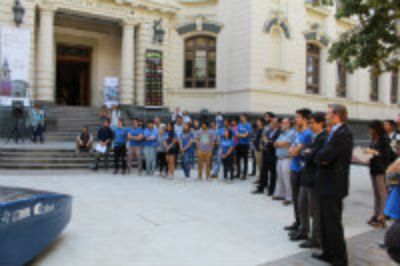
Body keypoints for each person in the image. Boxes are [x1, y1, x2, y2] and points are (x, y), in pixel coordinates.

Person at [312, 104, 353, 266]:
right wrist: (319, 157)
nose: (326, 116)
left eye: (328, 114)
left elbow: (326, 156)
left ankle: (339, 259)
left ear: (336, 115)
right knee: (324, 221)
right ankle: (328, 252)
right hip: (325, 183)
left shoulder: (343, 134)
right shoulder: (334, 132)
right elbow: (321, 155)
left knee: (333, 223)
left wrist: (319, 157)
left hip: (333, 185)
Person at [297, 112, 327, 249]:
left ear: (320, 123)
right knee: (303, 204)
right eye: (309, 123)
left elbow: (312, 156)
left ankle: (316, 238)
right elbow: (306, 153)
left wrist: (307, 153)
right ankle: (304, 231)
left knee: (315, 210)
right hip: (307, 176)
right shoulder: (315, 137)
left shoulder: (323, 137)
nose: (310, 125)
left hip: (314, 178)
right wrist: (307, 153)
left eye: (312, 122)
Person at [285, 109, 313, 235]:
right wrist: (292, 151)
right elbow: (291, 150)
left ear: (305, 119)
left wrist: (293, 151)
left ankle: (303, 226)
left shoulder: (307, 134)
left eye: (298, 117)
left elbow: (294, 152)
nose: (296, 119)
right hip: (294, 167)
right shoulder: (298, 133)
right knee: (295, 198)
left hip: (302, 170)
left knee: (302, 201)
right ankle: (297, 222)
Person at [365, 120, 391, 228]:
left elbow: (386, 155)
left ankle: (382, 217)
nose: (370, 131)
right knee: (376, 194)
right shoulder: (374, 139)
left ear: (376, 129)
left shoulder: (384, 139)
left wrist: (373, 152)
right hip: (373, 169)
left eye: (371, 128)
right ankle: (376, 215)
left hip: (381, 170)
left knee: (382, 194)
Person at [253, 118, 281, 195]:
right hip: (266, 152)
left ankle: (271, 189)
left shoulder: (279, 132)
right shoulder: (270, 131)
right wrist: (263, 142)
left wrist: (266, 141)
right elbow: (264, 139)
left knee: (272, 173)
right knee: (263, 170)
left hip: (273, 154)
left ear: (278, 124)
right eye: (271, 122)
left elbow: (273, 142)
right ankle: (261, 187)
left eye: (273, 122)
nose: (271, 123)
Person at [273, 117, 295, 205]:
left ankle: (289, 197)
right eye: (282, 123)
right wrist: (279, 144)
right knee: (280, 177)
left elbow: (286, 143)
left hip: (287, 158)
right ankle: (281, 194)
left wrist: (279, 144)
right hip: (279, 158)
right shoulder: (282, 133)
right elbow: (275, 143)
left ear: (289, 124)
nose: (282, 124)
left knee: (287, 178)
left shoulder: (292, 132)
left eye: (284, 123)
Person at [236, 114, 252, 180]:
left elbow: (246, 135)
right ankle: (238, 173)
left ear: (245, 118)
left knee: (245, 160)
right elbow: (236, 134)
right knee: (238, 159)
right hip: (239, 144)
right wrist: (241, 135)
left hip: (245, 144)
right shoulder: (239, 125)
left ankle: (244, 174)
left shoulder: (248, 125)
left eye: (242, 117)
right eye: (240, 117)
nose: (241, 118)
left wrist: (241, 135)